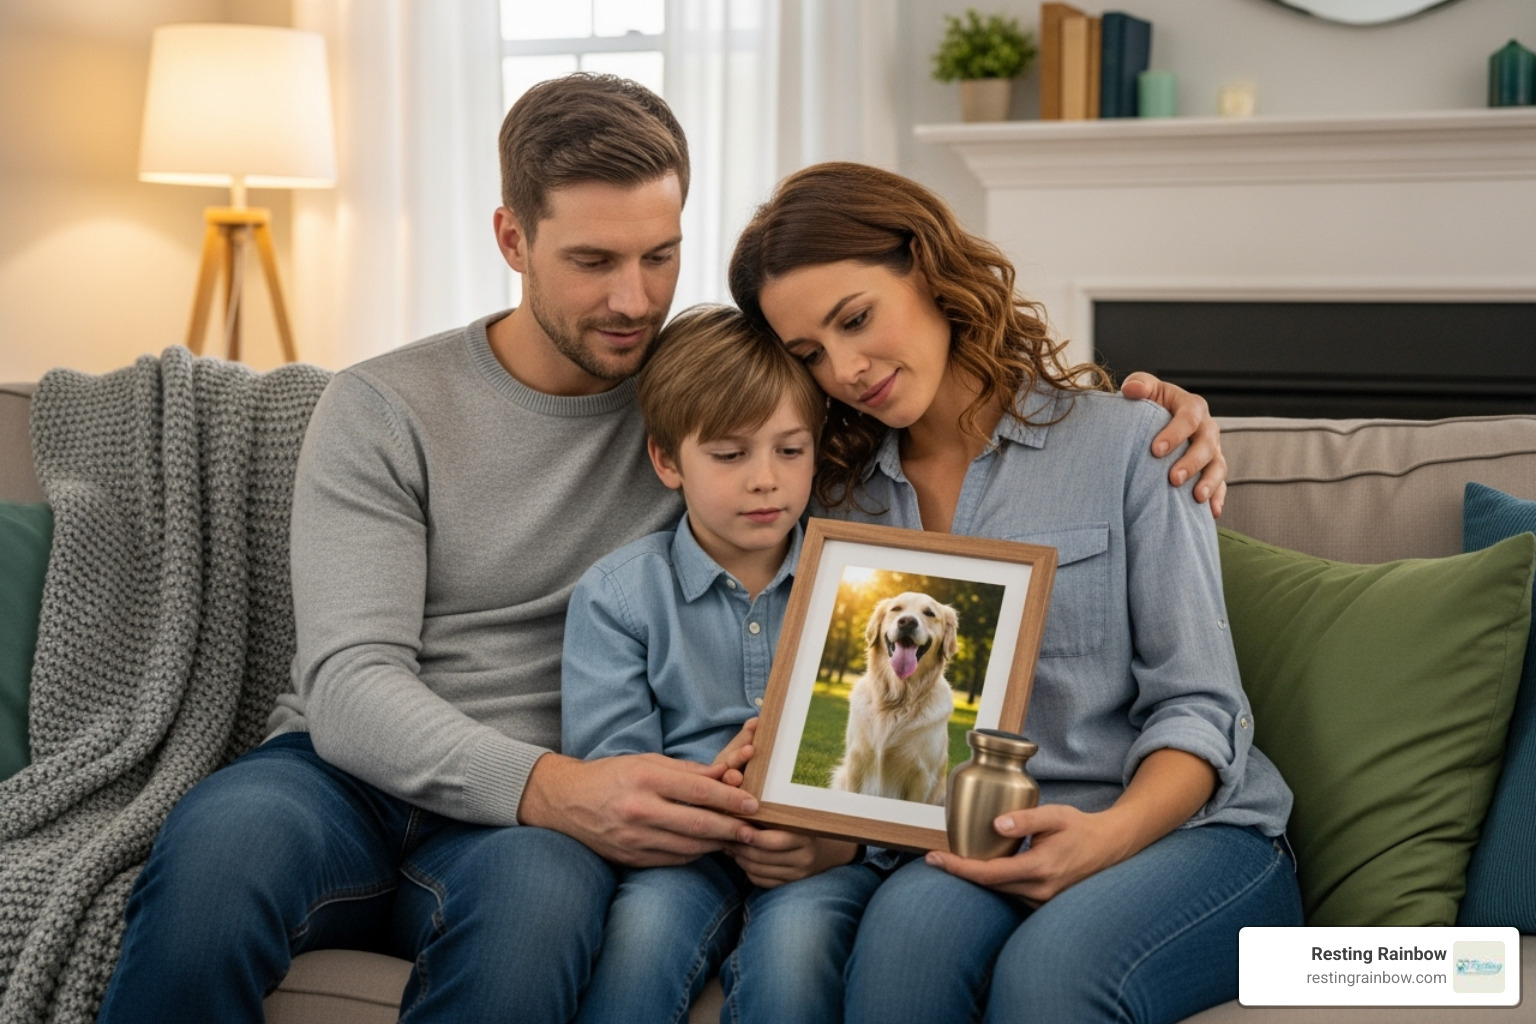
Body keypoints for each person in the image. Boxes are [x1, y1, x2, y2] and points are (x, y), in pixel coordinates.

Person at [94, 73, 1227, 1024]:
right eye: (591, 261)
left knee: (536, 925)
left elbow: (961, 454)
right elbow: (347, 681)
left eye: (659, 256)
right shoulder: (387, 405)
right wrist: (562, 788)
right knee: (216, 864)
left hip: (557, 816)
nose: (631, 300)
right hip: (388, 776)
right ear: (511, 239)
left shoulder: (738, 414)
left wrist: (1160, 411)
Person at [726, 161, 1305, 1024]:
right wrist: (797, 794)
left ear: (926, 269)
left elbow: (1201, 707)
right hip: (973, 845)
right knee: (898, 956)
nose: (845, 368)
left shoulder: (1133, 443)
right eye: (810, 353)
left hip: (1183, 833)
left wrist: (1106, 838)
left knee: (1050, 980)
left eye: (856, 319)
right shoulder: (839, 502)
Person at [562, 305, 895, 1024]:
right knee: (642, 940)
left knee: (798, 951)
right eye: (730, 454)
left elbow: (894, 765)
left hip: (819, 852)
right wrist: (724, 783)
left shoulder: (863, 585)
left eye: (790, 450)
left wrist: (838, 842)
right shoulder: (619, 595)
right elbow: (611, 768)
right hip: (679, 857)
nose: (765, 481)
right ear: (666, 460)